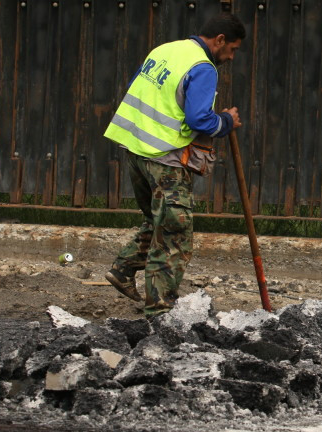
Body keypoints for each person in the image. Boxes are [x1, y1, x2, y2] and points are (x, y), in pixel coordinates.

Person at [103, 13, 245, 318]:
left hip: (135, 150)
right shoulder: (203, 67)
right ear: (220, 40)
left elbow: (137, 89)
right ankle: (159, 312)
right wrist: (226, 121)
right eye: (232, 49)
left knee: (158, 221)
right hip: (165, 158)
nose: (231, 57)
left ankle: (123, 269)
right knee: (173, 235)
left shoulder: (165, 50)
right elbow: (199, 120)